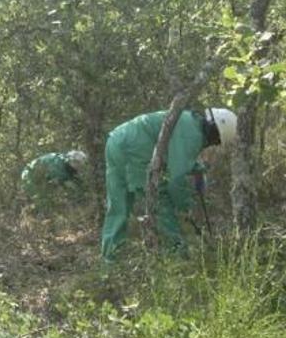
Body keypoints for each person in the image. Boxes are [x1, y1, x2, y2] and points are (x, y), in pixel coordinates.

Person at [100, 108, 237, 260]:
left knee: (119, 205)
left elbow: (176, 156)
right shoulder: (193, 135)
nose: (213, 144)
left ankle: (110, 260)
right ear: (214, 130)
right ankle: (178, 255)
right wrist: (185, 208)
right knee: (159, 200)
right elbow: (176, 179)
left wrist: (197, 169)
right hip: (135, 149)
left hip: (116, 140)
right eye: (216, 139)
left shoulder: (189, 121)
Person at [21, 150, 88, 207]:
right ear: (73, 161)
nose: (79, 167)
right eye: (78, 164)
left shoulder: (65, 164)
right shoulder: (58, 165)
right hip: (29, 178)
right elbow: (61, 183)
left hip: (39, 178)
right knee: (41, 202)